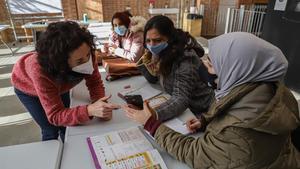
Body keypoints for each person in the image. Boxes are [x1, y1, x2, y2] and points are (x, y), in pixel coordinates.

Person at [123, 32, 300, 168]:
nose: (206, 67)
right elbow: (231, 106)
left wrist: (151, 124)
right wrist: (205, 120)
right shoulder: (267, 89)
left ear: (237, 69)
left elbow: (195, 153)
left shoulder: (240, 133)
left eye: (214, 63)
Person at [11, 21, 120, 141]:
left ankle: (65, 142)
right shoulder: (40, 71)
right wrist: (89, 110)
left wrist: (100, 103)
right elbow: (55, 115)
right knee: (50, 128)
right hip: (27, 87)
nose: (88, 62)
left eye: (88, 55)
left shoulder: (84, 52)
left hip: (59, 82)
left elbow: (94, 82)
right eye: (79, 61)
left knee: (67, 125)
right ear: (61, 64)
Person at [136, 15, 214, 121]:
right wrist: (147, 58)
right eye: (148, 41)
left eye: (157, 40)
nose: (152, 45)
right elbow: (152, 78)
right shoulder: (163, 52)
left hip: (199, 112)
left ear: (170, 38)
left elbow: (180, 98)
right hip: (182, 107)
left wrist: (152, 115)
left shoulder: (185, 57)